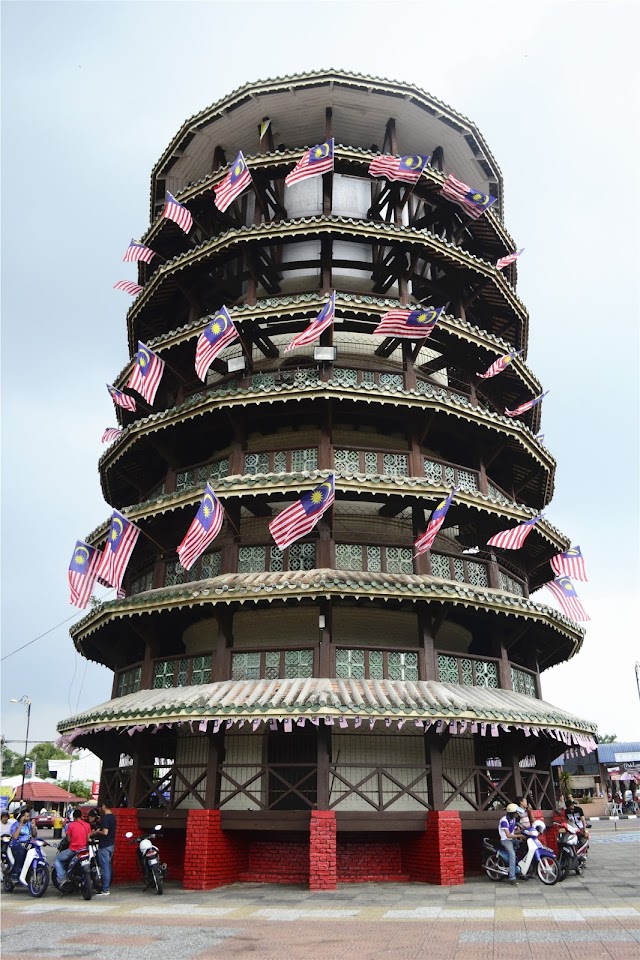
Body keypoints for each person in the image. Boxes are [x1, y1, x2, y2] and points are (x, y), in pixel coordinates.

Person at [54, 809, 91, 886]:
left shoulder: (71, 825)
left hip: (73, 850)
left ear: (73, 817)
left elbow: (68, 839)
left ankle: (62, 879)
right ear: (81, 816)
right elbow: (88, 839)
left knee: (57, 859)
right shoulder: (87, 825)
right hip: (84, 850)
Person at [90, 800, 116, 896]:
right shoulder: (113, 817)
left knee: (104, 867)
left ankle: (105, 889)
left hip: (104, 845)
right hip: (111, 844)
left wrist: (96, 832)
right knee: (107, 866)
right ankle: (106, 887)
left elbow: (105, 832)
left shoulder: (105, 818)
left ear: (104, 806)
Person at [498, 803, 522, 885]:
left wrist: (524, 831)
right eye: (516, 813)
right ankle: (512, 877)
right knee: (512, 854)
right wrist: (520, 835)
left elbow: (513, 831)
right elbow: (508, 835)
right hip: (505, 840)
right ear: (512, 813)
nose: (517, 814)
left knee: (523, 845)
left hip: (512, 839)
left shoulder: (513, 820)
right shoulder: (504, 821)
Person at [9, 808, 37, 876]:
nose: (28, 818)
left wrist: (33, 827)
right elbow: (15, 837)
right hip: (17, 844)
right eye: (26, 816)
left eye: (29, 816)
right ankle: (15, 873)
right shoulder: (15, 825)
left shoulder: (28, 824)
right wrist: (21, 824)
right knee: (21, 853)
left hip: (28, 844)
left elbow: (34, 835)